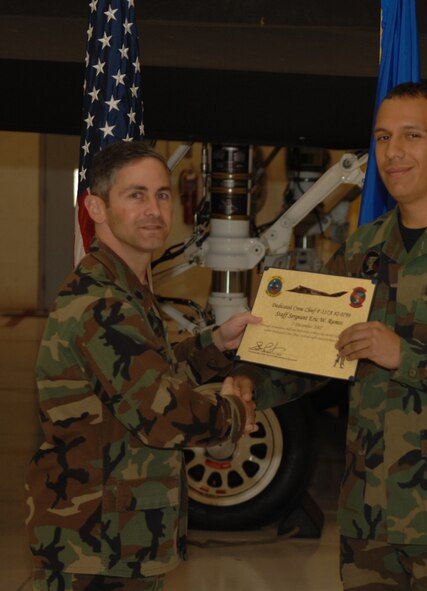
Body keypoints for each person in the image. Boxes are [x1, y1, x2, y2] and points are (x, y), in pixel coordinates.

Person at [237, 82, 427, 589]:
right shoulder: (362, 248)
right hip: (370, 520)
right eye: (382, 138)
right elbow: (317, 350)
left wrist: (405, 356)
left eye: (411, 136)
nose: (393, 153)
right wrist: (254, 383)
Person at [25, 141, 258, 591]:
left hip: (116, 537)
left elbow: (148, 373)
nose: (154, 209)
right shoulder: (101, 302)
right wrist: (233, 414)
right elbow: (162, 415)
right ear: (96, 206)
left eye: (162, 194)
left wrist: (215, 344)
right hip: (98, 547)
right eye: (136, 195)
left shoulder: (123, 288)